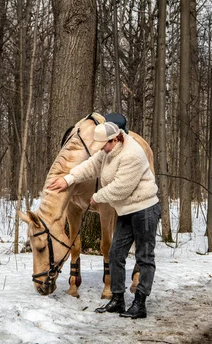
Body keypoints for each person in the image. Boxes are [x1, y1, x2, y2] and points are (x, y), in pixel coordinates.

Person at [48, 121, 160, 319]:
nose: (101, 149)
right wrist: (69, 178)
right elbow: (90, 166)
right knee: (115, 253)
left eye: (103, 145)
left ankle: (140, 303)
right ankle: (117, 299)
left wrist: (97, 197)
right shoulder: (108, 150)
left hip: (144, 209)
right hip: (126, 210)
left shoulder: (132, 153)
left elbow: (121, 187)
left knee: (144, 256)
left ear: (115, 139)